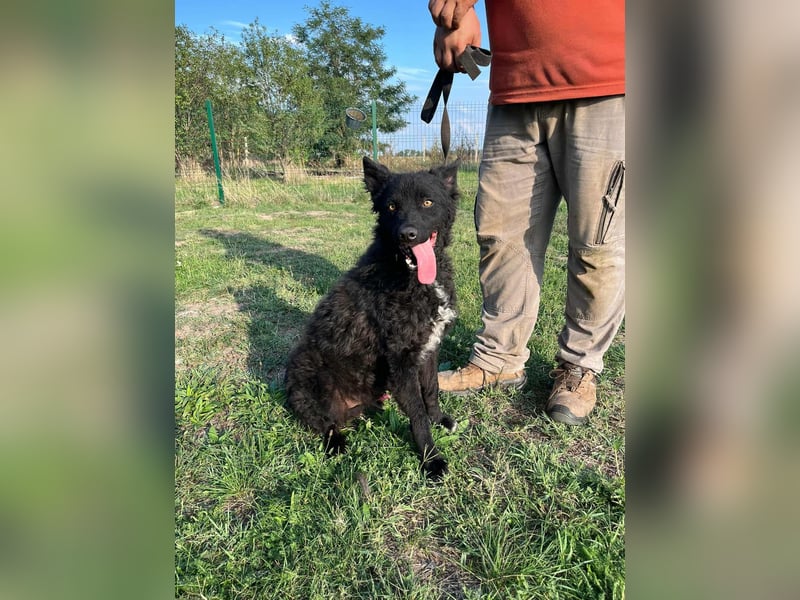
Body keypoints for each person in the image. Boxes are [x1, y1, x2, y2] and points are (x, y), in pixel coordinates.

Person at [428, 0, 625, 425]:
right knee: (500, 235)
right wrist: (457, 14)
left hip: (609, 76)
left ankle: (579, 366)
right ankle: (499, 357)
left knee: (597, 242)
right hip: (514, 85)